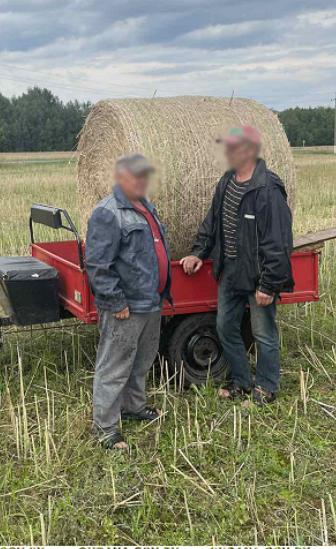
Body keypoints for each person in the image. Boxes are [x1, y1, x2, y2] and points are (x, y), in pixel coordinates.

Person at [180, 126, 293, 406]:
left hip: (257, 274)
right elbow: (213, 221)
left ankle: (266, 388)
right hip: (229, 270)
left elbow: (279, 243)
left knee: (263, 333)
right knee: (225, 327)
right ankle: (241, 381)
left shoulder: (267, 189)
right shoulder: (227, 180)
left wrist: (269, 284)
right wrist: (198, 252)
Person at [85, 153, 172, 449]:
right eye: (138, 176)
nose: (144, 181)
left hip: (151, 301)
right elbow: (97, 265)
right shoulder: (108, 212)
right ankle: (106, 427)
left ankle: (134, 408)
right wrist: (115, 301)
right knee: (114, 365)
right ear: (121, 177)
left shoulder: (146, 207)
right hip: (127, 306)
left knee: (142, 361)